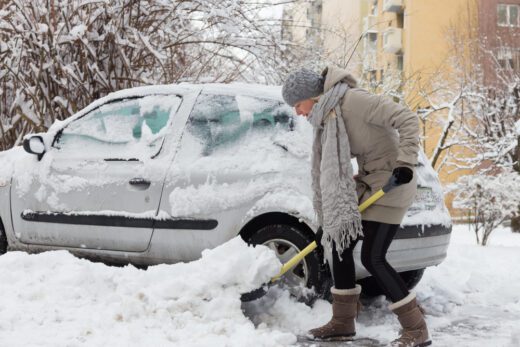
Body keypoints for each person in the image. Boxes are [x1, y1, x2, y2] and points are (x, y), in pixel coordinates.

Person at [281, 66, 431, 347]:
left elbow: (407, 119)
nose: (298, 113)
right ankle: (342, 322)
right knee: (339, 242)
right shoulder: (329, 117)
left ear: (311, 97)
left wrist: (405, 162)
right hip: (369, 184)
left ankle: (416, 329)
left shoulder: (355, 101)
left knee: (374, 257)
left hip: (393, 183)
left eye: (297, 105)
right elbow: (340, 158)